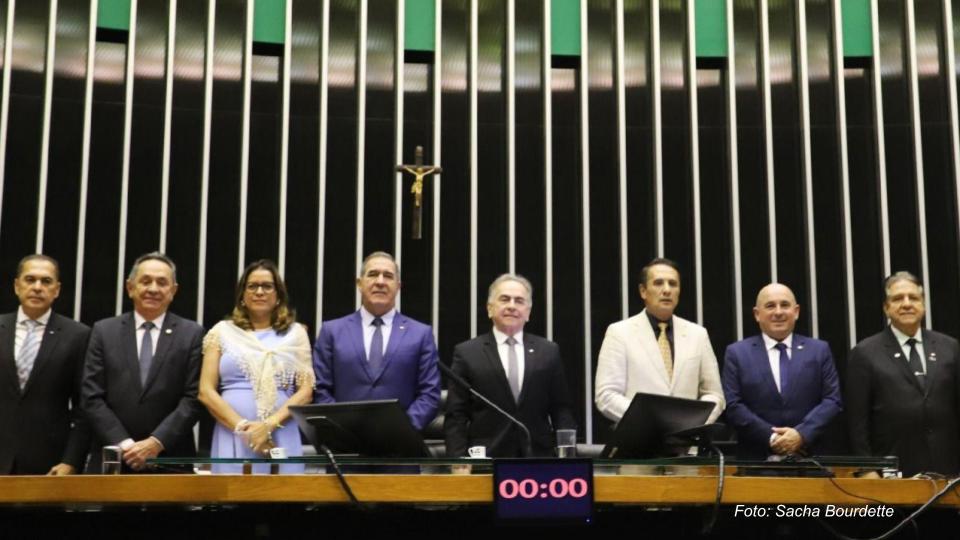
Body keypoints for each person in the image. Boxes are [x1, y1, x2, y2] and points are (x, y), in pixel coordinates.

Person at [82, 252, 204, 472]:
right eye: (145, 281)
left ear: (173, 291)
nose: (153, 289)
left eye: (162, 283)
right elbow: (91, 396)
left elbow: (194, 398)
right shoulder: (104, 331)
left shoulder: (192, 334)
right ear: (130, 287)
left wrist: (155, 443)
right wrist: (126, 445)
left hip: (170, 457)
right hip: (113, 457)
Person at [199, 260, 314, 474]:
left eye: (267, 286)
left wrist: (268, 425)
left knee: (283, 494)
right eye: (252, 286)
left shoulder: (297, 333)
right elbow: (206, 391)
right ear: (242, 295)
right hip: (232, 432)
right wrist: (244, 428)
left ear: (278, 295)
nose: (259, 292)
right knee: (231, 494)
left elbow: (306, 392)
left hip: (281, 432)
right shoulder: (221, 332)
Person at [444, 274, 576, 457]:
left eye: (519, 301)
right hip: (487, 457)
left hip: (538, 456)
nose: (512, 306)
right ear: (490, 308)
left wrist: (567, 456)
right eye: (504, 299)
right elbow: (456, 415)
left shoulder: (548, 351)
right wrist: (458, 461)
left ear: (528, 312)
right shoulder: (467, 352)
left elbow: (561, 409)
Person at [846, 272, 960, 476]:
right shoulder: (865, 353)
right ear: (886, 307)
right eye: (898, 298)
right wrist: (867, 469)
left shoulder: (950, 348)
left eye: (913, 298)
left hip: (948, 469)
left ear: (923, 305)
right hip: (893, 471)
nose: (907, 304)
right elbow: (857, 422)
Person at [313, 251, 440, 432]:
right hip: (345, 442)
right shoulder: (331, 331)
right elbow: (320, 389)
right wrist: (342, 429)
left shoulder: (420, 334)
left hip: (399, 443)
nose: (380, 281)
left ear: (398, 286)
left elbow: (429, 394)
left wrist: (402, 429)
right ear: (359, 283)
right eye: (373, 274)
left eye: (388, 276)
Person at [595, 258, 724, 423]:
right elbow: (606, 395)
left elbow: (714, 394)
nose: (667, 290)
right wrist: (652, 420)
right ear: (643, 291)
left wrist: (694, 421)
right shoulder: (620, 333)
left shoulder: (698, 334)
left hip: (687, 436)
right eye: (658, 283)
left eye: (673, 284)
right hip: (640, 435)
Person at [721, 283, 842, 458]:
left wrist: (801, 435)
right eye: (770, 306)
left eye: (784, 305)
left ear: (796, 311)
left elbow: (832, 400)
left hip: (810, 459)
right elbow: (733, 405)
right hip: (756, 460)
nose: (778, 312)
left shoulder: (819, 350)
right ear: (757, 314)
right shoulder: (737, 353)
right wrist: (772, 438)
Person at [0, 255, 91, 475]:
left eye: (46, 281)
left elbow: (85, 407)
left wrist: (71, 461)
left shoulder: (78, 335)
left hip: (50, 462)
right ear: (17, 286)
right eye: (30, 279)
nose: (37, 287)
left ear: (56, 290)